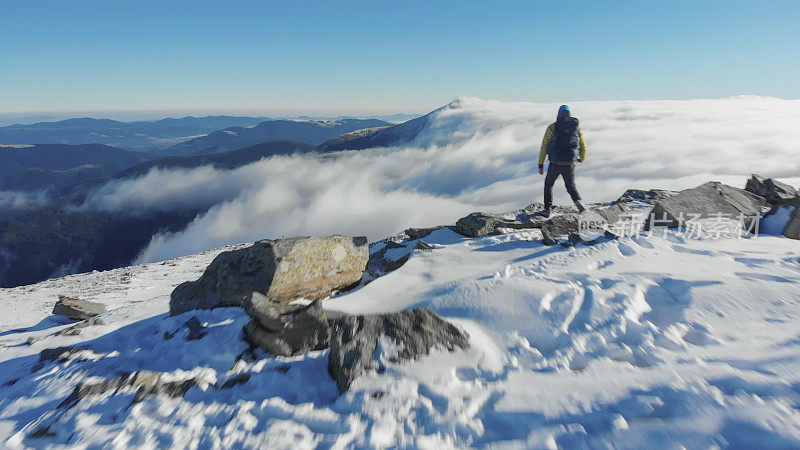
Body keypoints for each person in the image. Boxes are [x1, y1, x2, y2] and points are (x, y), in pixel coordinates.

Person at [538, 105, 587, 217]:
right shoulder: (576, 127)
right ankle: (578, 202)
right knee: (570, 186)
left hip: (555, 163)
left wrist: (540, 164)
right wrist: (581, 157)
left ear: (559, 114)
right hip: (570, 163)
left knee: (548, 185)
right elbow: (582, 144)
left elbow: (544, 146)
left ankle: (547, 209)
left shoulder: (552, 127)